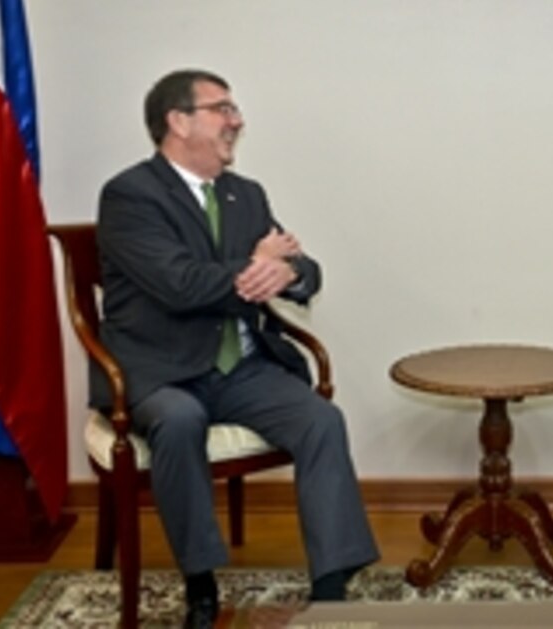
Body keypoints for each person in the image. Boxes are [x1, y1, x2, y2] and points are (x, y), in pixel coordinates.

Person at [94, 69, 380, 628]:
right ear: (178, 121)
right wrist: (256, 265)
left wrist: (286, 272)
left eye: (234, 109)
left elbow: (307, 272)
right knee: (178, 421)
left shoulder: (244, 194)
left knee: (322, 421)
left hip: (242, 367)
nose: (237, 120)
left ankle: (330, 589)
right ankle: (200, 585)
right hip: (163, 370)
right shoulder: (131, 195)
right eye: (221, 109)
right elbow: (180, 285)